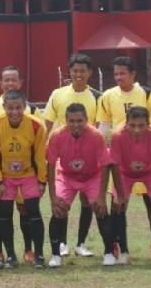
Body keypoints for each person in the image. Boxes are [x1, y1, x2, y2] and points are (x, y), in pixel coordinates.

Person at [0, 65, 41, 262]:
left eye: (14, 80)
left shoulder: (32, 111)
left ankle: (29, 250)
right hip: (0, 172)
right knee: (2, 211)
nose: (10, 83)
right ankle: (1, 251)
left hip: (26, 172)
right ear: (0, 83)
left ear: (20, 83)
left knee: (26, 209)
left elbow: (37, 147)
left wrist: (40, 178)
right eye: (6, 80)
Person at [43, 54, 101, 258]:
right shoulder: (58, 94)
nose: (78, 74)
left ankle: (81, 244)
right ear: (69, 72)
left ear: (90, 73)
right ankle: (62, 244)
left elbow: (99, 127)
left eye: (83, 71)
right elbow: (47, 124)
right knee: (62, 200)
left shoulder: (97, 97)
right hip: (63, 154)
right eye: (75, 70)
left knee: (87, 201)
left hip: (88, 156)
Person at [97, 56, 151, 254]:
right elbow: (103, 125)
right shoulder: (107, 95)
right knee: (118, 203)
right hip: (120, 155)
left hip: (144, 154)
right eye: (116, 74)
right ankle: (118, 245)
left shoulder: (146, 93)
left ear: (133, 74)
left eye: (122, 73)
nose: (118, 77)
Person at [46, 103, 116, 267]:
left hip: (92, 176)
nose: (76, 125)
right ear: (66, 121)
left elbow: (105, 165)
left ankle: (109, 252)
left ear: (86, 120)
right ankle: (55, 254)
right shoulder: (56, 136)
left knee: (99, 208)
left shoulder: (96, 135)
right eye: (71, 121)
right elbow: (50, 165)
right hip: (67, 176)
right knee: (59, 208)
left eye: (79, 121)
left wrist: (101, 196)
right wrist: (53, 197)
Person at [0, 89, 48, 269]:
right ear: (4, 107)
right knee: (4, 214)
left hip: (28, 175)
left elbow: (40, 156)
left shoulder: (37, 126)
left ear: (25, 106)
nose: (14, 112)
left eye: (18, 108)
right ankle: (11, 255)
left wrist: (42, 181)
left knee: (33, 212)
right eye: (10, 108)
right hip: (6, 177)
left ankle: (39, 255)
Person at [108, 107, 151, 265]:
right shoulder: (117, 135)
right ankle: (122, 250)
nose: (136, 129)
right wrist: (120, 195)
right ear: (126, 123)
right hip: (124, 172)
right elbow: (114, 166)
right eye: (132, 125)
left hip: (149, 171)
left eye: (141, 125)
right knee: (118, 206)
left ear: (148, 124)